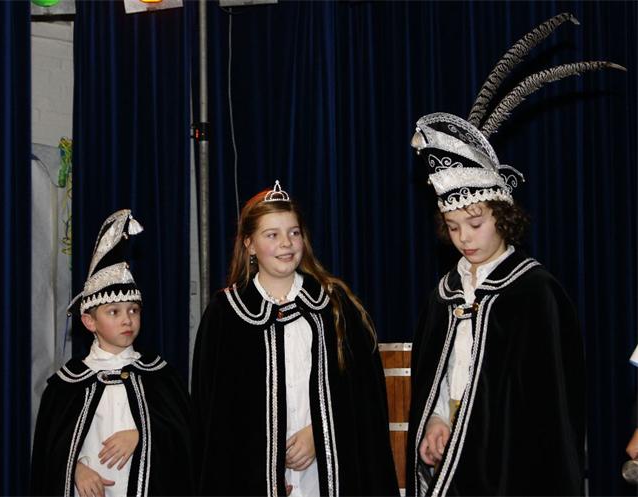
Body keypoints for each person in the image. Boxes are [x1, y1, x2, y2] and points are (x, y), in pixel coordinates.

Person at [405, 13, 623, 496]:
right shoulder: (445, 294)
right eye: (453, 227)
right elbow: (440, 377)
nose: (465, 238)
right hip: (454, 461)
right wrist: (437, 419)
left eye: (476, 224)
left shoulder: (534, 292)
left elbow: (552, 411)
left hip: (510, 469)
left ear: (503, 217)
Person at [191, 181, 399, 497]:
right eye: (271, 235)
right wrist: (266, 468)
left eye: (294, 232)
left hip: (327, 470)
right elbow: (216, 418)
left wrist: (320, 432)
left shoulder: (333, 305)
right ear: (249, 244)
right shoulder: (226, 315)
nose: (286, 243)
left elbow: (364, 397)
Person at [30, 209, 194, 497]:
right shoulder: (66, 384)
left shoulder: (160, 376)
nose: (127, 319)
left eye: (133, 310)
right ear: (89, 321)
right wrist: (75, 469)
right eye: (113, 312)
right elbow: (49, 453)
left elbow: (186, 439)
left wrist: (142, 434)